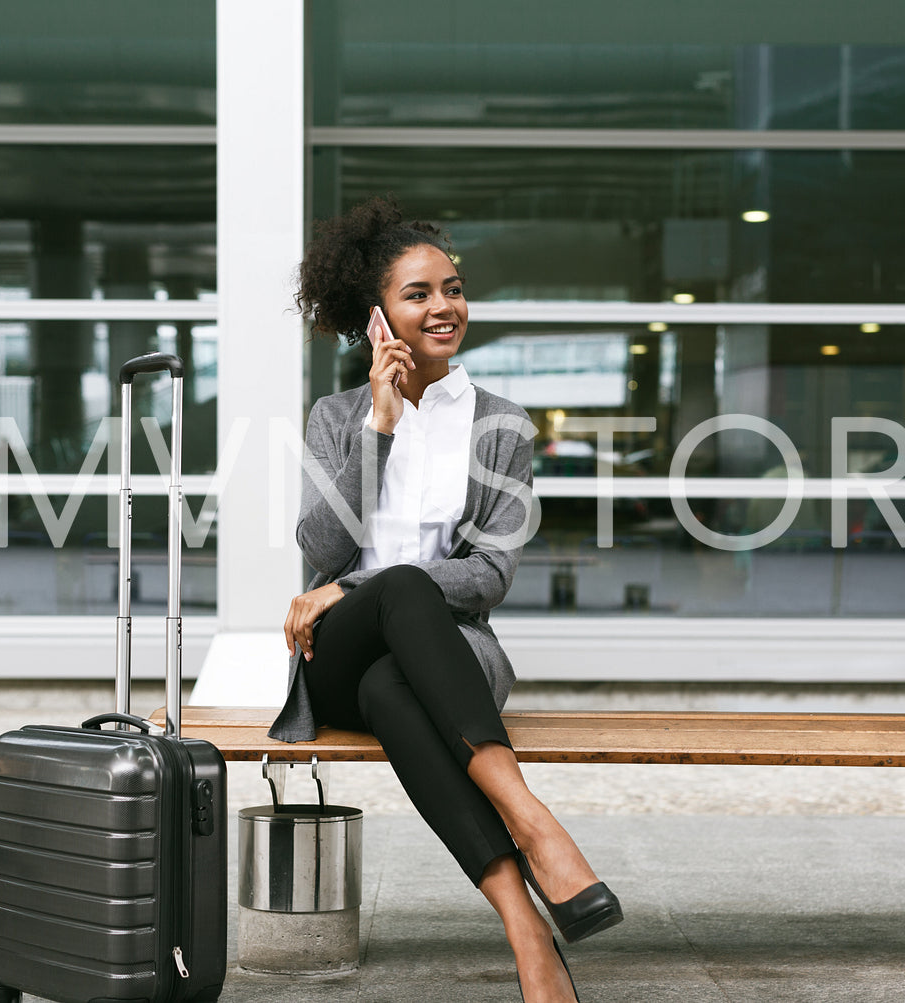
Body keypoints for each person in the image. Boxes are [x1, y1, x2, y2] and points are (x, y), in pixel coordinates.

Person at [269, 197, 622, 1002]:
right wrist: (380, 428)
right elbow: (320, 547)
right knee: (390, 602)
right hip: (336, 654)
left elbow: (491, 573)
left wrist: (351, 586)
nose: (443, 308)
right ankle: (535, 824)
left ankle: (527, 930)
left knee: (393, 684)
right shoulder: (336, 417)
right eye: (419, 293)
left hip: (453, 656)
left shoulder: (500, 426)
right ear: (377, 316)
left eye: (452, 289)